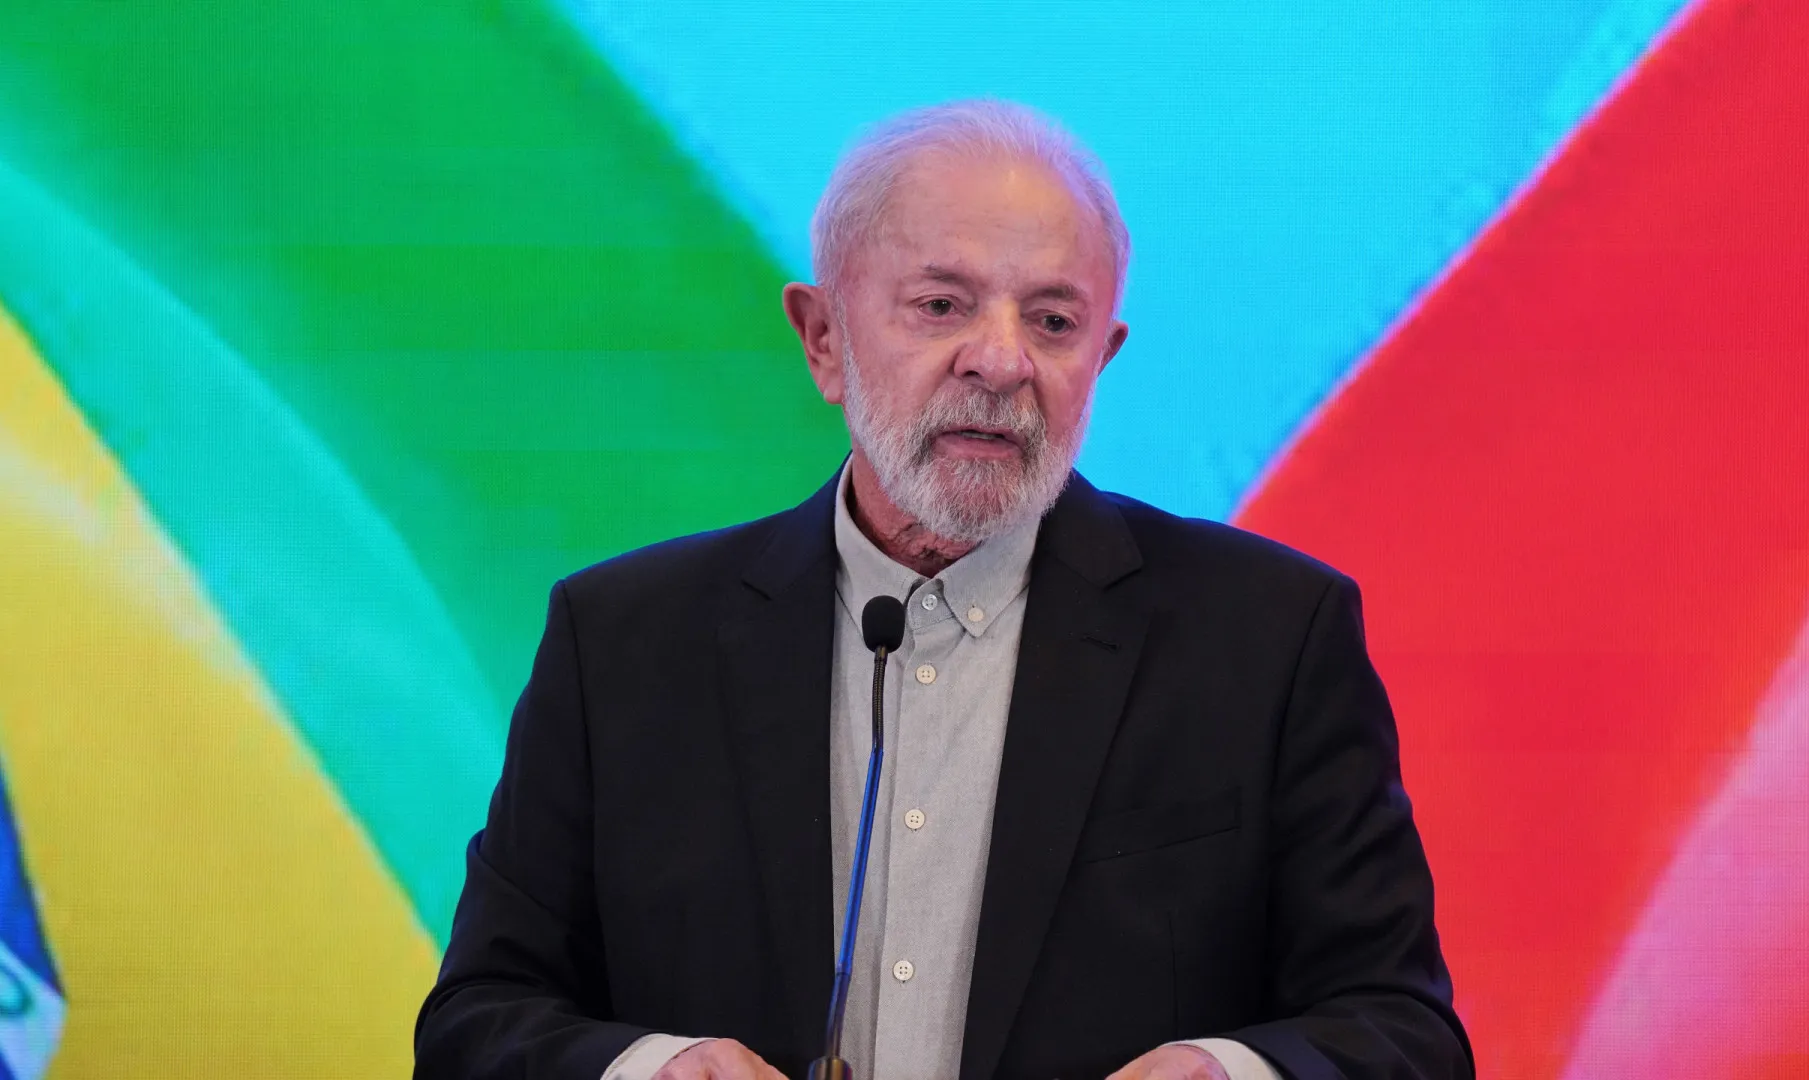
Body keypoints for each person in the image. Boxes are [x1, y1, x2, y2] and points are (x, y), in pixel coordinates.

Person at [414, 99, 1471, 1080]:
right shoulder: (623, 643)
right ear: (824, 339)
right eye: (940, 305)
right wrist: (650, 1069)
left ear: (1102, 359)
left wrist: (1231, 1072)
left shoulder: (1268, 638)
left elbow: (1402, 1028)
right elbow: (478, 1019)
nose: (1001, 362)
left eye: (1053, 322)